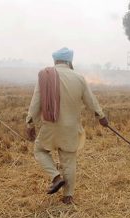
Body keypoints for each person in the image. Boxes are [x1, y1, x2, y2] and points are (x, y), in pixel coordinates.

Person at [25, 47, 108, 204]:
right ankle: (68, 196)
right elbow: (91, 100)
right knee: (69, 160)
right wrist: (101, 116)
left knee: (40, 150)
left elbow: (36, 101)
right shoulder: (79, 77)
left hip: (50, 126)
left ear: (55, 60)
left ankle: (56, 177)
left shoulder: (45, 76)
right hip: (70, 128)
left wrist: (29, 123)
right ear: (70, 61)